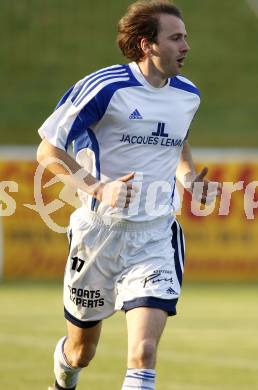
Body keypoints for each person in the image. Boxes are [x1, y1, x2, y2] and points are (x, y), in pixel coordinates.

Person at [37, 1, 220, 389]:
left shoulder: (188, 95)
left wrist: (189, 179)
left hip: (155, 235)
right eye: (175, 38)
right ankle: (64, 375)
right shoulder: (105, 88)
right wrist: (99, 188)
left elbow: (178, 143)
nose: (186, 46)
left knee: (143, 354)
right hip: (97, 235)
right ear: (146, 44)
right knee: (80, 351)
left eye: (185, 36)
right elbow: (47, 151)